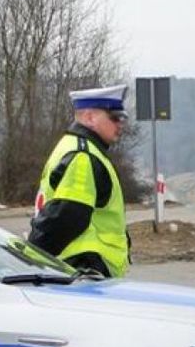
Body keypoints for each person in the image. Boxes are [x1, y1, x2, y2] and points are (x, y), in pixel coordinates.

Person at [28, 84, 131, 278]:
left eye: (122, 118)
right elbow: (67, 216)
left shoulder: (75, 146)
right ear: (90, 118)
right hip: (84, 268)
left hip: (79, 266)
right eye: (115, 117)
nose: (120, 124)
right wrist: (31, 257)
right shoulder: (83, 156)